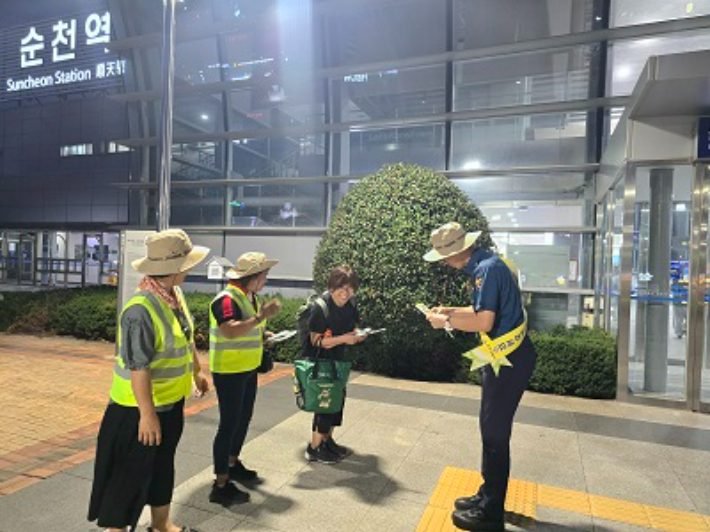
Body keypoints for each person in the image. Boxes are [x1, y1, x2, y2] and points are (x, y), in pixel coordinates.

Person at [88, 229, 210, 532]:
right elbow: (138, 368)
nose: (191, 267)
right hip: (135, 413)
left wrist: (198, 371)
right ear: (175, 268)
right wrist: (147, 415)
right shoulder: (140, 310)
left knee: (161, 469)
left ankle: (161, 525)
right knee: (126, 481)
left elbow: (184, 336)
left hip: (168, 406)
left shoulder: (173, 296)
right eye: (187, 262)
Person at [423, 222, 537, 532]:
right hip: (504, 356)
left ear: (459, 251)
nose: (444, 262)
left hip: (508, 359)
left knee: (495, 434)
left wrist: (443, 321)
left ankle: (491, 513)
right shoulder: (486, 264)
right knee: (490, 429)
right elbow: (481, 310)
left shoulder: (485, 271)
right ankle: (487, 495)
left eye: (445, 256)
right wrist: (448, 310)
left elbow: (484, 321)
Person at [208, 252, 282, 505]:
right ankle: (220, 483)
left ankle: (232, 463)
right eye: (263, 275)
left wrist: (264, 333)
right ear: (250, 277)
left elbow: (247, 328)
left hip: (247, 369)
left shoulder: (248, 296)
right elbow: (228, 330)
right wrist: (261, 318)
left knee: (243, 419)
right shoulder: (226, 299)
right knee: (229, 423)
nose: (265, 280)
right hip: (229, 372)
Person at [304, 265, 365, 464]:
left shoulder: (351, 304)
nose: (346, 293)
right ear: (331, 287)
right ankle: (314, 448)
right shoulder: (320, 307)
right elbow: (316, 341)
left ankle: (327, 441)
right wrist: (343, 339)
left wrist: (358, 334)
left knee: (336, 403)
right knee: (323, 404)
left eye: (350, 288)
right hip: (321, 362)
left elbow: (354, 325)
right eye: (341, 288)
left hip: (339, 362)